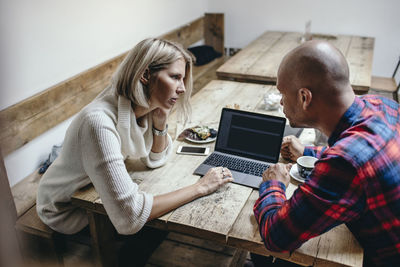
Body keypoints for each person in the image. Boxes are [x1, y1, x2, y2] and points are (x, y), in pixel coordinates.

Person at [37, 38, 233, 236]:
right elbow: (129, 217)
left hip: (94, 192)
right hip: (68, 210)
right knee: (168, 227)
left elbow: (156, 159)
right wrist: (201, 187)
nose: (182, 88)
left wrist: (160, 122)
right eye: (175, 77)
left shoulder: (141, 105)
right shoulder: (97, 123)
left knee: (170, 214)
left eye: (182, 79)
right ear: (145, 74)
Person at [253, 40, 400, 266]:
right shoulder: (383, 105)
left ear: (304, 98)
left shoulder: (344, 163)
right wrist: (308, 151)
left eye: (282, 93)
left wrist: (273, 184)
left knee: (266, 256)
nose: (281, 101)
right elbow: (360, 156)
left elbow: (276, 237)